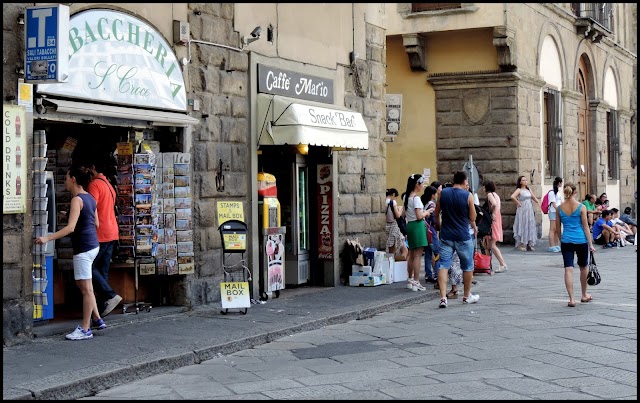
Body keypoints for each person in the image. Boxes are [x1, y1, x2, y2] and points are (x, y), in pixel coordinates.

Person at [35, 166, 104, 340]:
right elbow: (95, 223)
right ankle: (97, 319)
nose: (65, 182)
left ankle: (85, 329)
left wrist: (47, 238)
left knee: (86, 290)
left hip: (83, 248)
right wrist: (73, 216)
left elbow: (70, 228)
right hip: (93, 245)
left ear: (73, 179)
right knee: (85, 286)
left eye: (66, 178)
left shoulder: (76, 200)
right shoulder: (90, 198)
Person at [435, 170, 479, 307]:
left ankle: (443, 298)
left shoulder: (443, 193)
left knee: (443, 265)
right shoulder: (468, 195)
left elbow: (436, 213)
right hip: (463, 236)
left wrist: (440, 225)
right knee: (467, 266)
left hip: (446, 235)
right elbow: (473, 217)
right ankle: (466, 296)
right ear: (465, 181)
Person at [86, 157, 123, 317]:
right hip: (112, 231)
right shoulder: (108, 185)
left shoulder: (94, 185)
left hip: (100, 232)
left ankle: (110, 295)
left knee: (89, 267)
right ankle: (102, 307)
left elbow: (90, 208)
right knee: (102, 271)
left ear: (93, 168)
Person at [556, 182, 595, 307]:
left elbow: (557, 228)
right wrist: (591, 244)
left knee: (568, 269)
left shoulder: (559, 208)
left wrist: (562, 239)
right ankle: (584, 295)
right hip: (581, 240)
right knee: (583, 267)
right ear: (575, 192)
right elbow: (585, 227)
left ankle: (572, 299)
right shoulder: (581, 207)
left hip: (566, 241)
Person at [403, 174, 430, 292]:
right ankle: (417, 281)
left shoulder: (406, 197)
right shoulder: (416, 199)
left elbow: (404, 214)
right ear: (417, 185)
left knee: (411, 254)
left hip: (410, 225)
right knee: (418, 255)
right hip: (417, 226)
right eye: (422, 184)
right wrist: (427, 212)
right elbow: (419, 216)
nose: (423, 186)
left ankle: (410, 279)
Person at [511, 175, 540, 251]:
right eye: (523, 180)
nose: (525, 181)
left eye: (526, 180)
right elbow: (512, 196)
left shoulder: (528, 189)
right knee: (523, 224)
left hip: (529, 209)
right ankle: (522, 243)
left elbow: (533, 197)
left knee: (529, 224)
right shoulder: (519, 190)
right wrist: (518, 203)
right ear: (520, 182)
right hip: (522, 209)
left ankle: (529, 243)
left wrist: (539, 202)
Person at [483, 181, 507, 272]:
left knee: (492, 245)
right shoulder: (496, 195)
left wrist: (492, 213)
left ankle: (502, 264)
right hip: (497, 218)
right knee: (488, 244)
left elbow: (494, 204)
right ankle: (488, 264)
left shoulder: (489, 195)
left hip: (493, 219)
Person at [421, 185, 439, 283]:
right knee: (437, 253)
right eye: (435, 193)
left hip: (424, 231)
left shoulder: (424, 203)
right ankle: (437, 274)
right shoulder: (432, 205)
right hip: (431, 231)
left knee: (427, 254)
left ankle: (428, 275)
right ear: (432, 195)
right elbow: (433, 219)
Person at [385, 188, 408, 260]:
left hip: (387, 226)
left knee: (392, 250)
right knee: (397, 250)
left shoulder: (384, 201)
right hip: (394, 226)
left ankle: (395, 265)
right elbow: (398, 215)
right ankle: (397, 266)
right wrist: (400, 210)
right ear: (394, 194)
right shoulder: (393, 202)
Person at [547, 177, 563, 252]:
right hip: (553, 211)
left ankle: (556, 244)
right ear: (559, 183)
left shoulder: (558, 192)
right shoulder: (552, 192)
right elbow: (553, 203)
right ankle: (551, 245)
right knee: (552, 229)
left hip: (558, 211)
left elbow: (560, 202)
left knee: (557, 229)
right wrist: (558, 210)